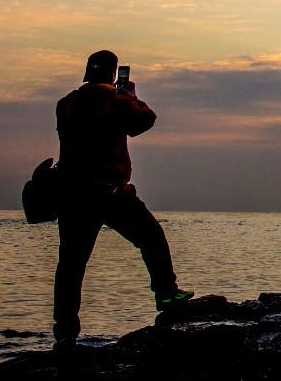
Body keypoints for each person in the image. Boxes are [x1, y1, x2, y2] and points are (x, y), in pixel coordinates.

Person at [52, 49, 192, 352]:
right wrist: (129, 95)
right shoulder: (114, 101)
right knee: (152, 237)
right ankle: (166, 294)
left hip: (73, 195)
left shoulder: (66, 104)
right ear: (113, 74)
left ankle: (64, 333)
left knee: (71, 265)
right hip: (110, 191)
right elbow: (144, 121)